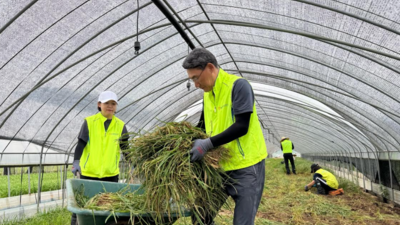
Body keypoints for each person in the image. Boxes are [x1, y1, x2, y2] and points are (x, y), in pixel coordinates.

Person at [183, 48, 267, 225]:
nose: (196, 84)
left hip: (246, 167)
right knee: (200, 217)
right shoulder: (208, 95)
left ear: (211, 68)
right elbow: (202, 127)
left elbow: (242, 126)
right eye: (192, 80)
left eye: (196, 77)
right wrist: (182, 143)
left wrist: (206, 144)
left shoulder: (238, 86)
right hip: (219, 167)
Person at [70, 90, 128, 225]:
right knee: (81, 206)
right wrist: (76, 162)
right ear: (99, 104)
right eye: (107, 103)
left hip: (110, 174)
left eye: (113, 103)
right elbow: (81, 144)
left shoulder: (120, 125)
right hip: (89, 173)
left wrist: (134, 163)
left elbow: (125, 148)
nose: (110, 106)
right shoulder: (89, 122)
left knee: (110, 206)